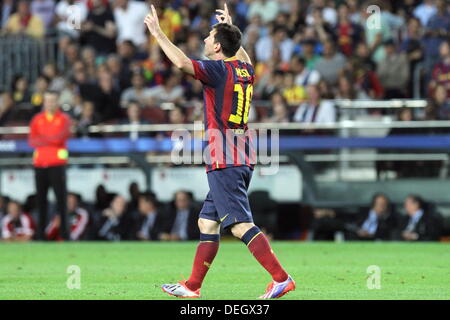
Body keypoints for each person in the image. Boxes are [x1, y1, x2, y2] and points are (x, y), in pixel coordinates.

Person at [145, 3, 294, 299]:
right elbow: (242, 55)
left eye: (208, 36)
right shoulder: (244, 70)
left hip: (224, 157)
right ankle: (192, 286)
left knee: (239, 226)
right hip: (239, 153)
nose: (203, 40)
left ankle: (281, 278)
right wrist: (231, 30)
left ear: (216, 46)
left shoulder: (217, 70)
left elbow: (181, 64)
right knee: (207, 222)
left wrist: (158, 34)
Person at [28, 90, 71, 240]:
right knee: (41, 201)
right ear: (44, 102)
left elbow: (60, 138)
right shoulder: (37, 119)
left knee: (61, 202)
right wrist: (50, 140)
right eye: (48, 100)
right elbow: (32, 141)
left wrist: (43, 139)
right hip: (40, 164)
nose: (50, 103)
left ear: (57, 102)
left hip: (57, 164)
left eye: (53, 100)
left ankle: (65, 235)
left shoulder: (64, 119)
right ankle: (41, 236)